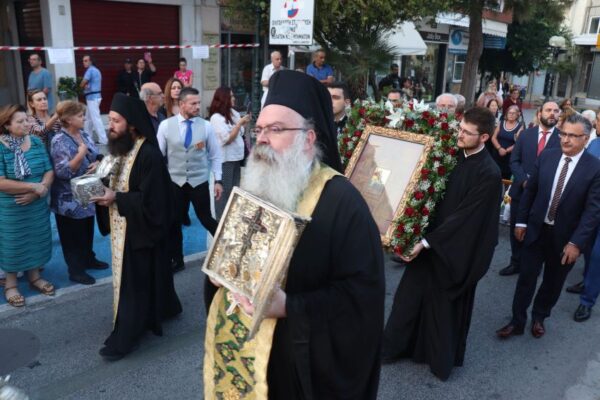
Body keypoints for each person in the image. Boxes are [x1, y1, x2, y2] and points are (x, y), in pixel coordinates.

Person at [203, 69, 384, 399]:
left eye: (276, 129)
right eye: (259, 129)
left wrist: (290, 306)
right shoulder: (256, 186)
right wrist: (218, 273)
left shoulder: (343, 203)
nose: (262, 138)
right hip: (242, 354)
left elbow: (362, 295)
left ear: (309, 139)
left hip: (299, 365)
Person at [382, 107, 502, 381]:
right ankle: (394, 348)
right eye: (460, 128)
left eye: (466, 132)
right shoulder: (451, 154)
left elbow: (466, 218)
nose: (459, 135)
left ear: (484, 137)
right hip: (430, 241)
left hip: (456, 250)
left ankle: (438, 359)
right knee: (408, 298)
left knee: (442, 307)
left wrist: (426, 242)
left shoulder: (489, 173)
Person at [91, 93, 182, 361]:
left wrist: (116, 198)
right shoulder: (120, 148)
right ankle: (162, 309)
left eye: (116, 120)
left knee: (135, 284)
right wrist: (97, 179)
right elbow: (115, 180)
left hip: (141, 229)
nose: (110, 125)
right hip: (124, 226)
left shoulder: (149, 154)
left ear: (131, 124)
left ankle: (127, 336)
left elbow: (154, 202)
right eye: (110, 119)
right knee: (143, 280)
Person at [496, 113, 600, 339]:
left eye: (573, 136)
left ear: (585, 138)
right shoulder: (548, 156)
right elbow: (530, 191)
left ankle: (540, 316)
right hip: (536, 230)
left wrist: (576, 243)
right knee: (526, 278)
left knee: (553, 281)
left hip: (566, 239)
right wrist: (521, 221)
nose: (566, 139)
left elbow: (592, 212)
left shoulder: (595, 168)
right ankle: (517, 321)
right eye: (563, 134)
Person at [156, 87, 223, 288]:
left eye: (198, 103)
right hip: (175, 182)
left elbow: (215, 155)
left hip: (199, 181)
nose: (197, 106)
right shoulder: (165, 126)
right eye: (193, 103)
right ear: (182, 104)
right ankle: (177, 259)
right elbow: (159, 157)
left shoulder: (206, 126)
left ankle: (227, 249)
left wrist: (218, 180)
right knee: (173, 222)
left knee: (206, 218)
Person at [0, 105, 54, 307]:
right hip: (11, 209)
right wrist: (33, 186)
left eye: (27, 120)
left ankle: (34, 277)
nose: (26, 124)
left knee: (37, 238)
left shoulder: (37, 142)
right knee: (13, 244)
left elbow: (49, 170)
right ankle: (11, 285)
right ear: (7, 125)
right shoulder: (0, 147)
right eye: (20, 121)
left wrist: (40, 189)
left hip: (37, 204)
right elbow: (1, 182)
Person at [499, 102, 561, 277]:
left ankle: (532, 264)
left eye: (556, 111)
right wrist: (524, 181)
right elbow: (514, 161)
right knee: (516, 227)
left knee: (537, 231)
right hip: (521, 190)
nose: (552, 113)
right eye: (548, 110)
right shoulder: (526, 135)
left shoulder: (562, 139)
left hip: (544, 195)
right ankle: (515, 262)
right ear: (540, 113)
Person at [51, 100, 107, 285]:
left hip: (87, 192)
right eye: (80, 115)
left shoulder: (83, 134)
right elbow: (62, 172)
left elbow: (97, 154)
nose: (84, 118)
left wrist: (97, 162)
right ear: (68, 119)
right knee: (71, 235)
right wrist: (81, 154)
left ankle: (88, 258)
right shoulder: (59, 140)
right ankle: (75, 270)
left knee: (86, 229)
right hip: (68, 199)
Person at [569, 135, 600, 321]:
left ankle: (587, 301)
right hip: (591, 209)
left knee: (597, 256)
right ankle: (587, 282)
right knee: (587, 249)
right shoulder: (595, 143)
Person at [208, 86, 252, 219]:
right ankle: (220, 220)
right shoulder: (216, 118)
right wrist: (239, 125)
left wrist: (242, 124)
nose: (234, 98)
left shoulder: (234, 113)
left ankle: (231, 219)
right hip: (224, 160)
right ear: (224, 99)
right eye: (231, 96)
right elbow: (227, 139)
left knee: (235, 190)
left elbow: (240, 133)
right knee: (223, 192)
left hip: (236, 158)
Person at [491, 105, 524, 180]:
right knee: (493, 175)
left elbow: (518, 143)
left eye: (513, 113)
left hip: (508, 157)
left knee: (505, 178)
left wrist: (506, 151)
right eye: (509, 113)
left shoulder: (520, 127)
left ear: (517, 115)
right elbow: (493, 137)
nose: (511, 115)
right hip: (496, 154)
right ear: (506, 114)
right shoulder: (501, 123)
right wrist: (499, 148)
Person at [80, 55, 106, 145]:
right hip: (94, 97)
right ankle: (87, 138)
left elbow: (83, 82)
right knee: (88, 119)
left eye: (86, 60)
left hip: (92, 98)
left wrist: (82, 86)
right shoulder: (96, 70)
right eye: (83, 61)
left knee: (95, 119)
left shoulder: (90, 70)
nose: (84, 62)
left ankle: (103, 139)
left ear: (91, 61)